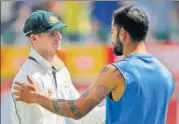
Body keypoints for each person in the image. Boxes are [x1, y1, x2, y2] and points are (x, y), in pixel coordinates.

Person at [13, 6, 175, 124]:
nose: (112, 40)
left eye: (112, 33)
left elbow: (76, 110)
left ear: (122, 34)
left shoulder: (115, 72)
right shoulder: (166, 75)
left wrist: (36, 97)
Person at [10, 10, 105, 124]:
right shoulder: (27, 79)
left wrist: (118, 109)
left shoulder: (60, 71)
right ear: (34, 38)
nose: (59, 37)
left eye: (58, 32)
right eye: (51, 34)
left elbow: (81, 115)